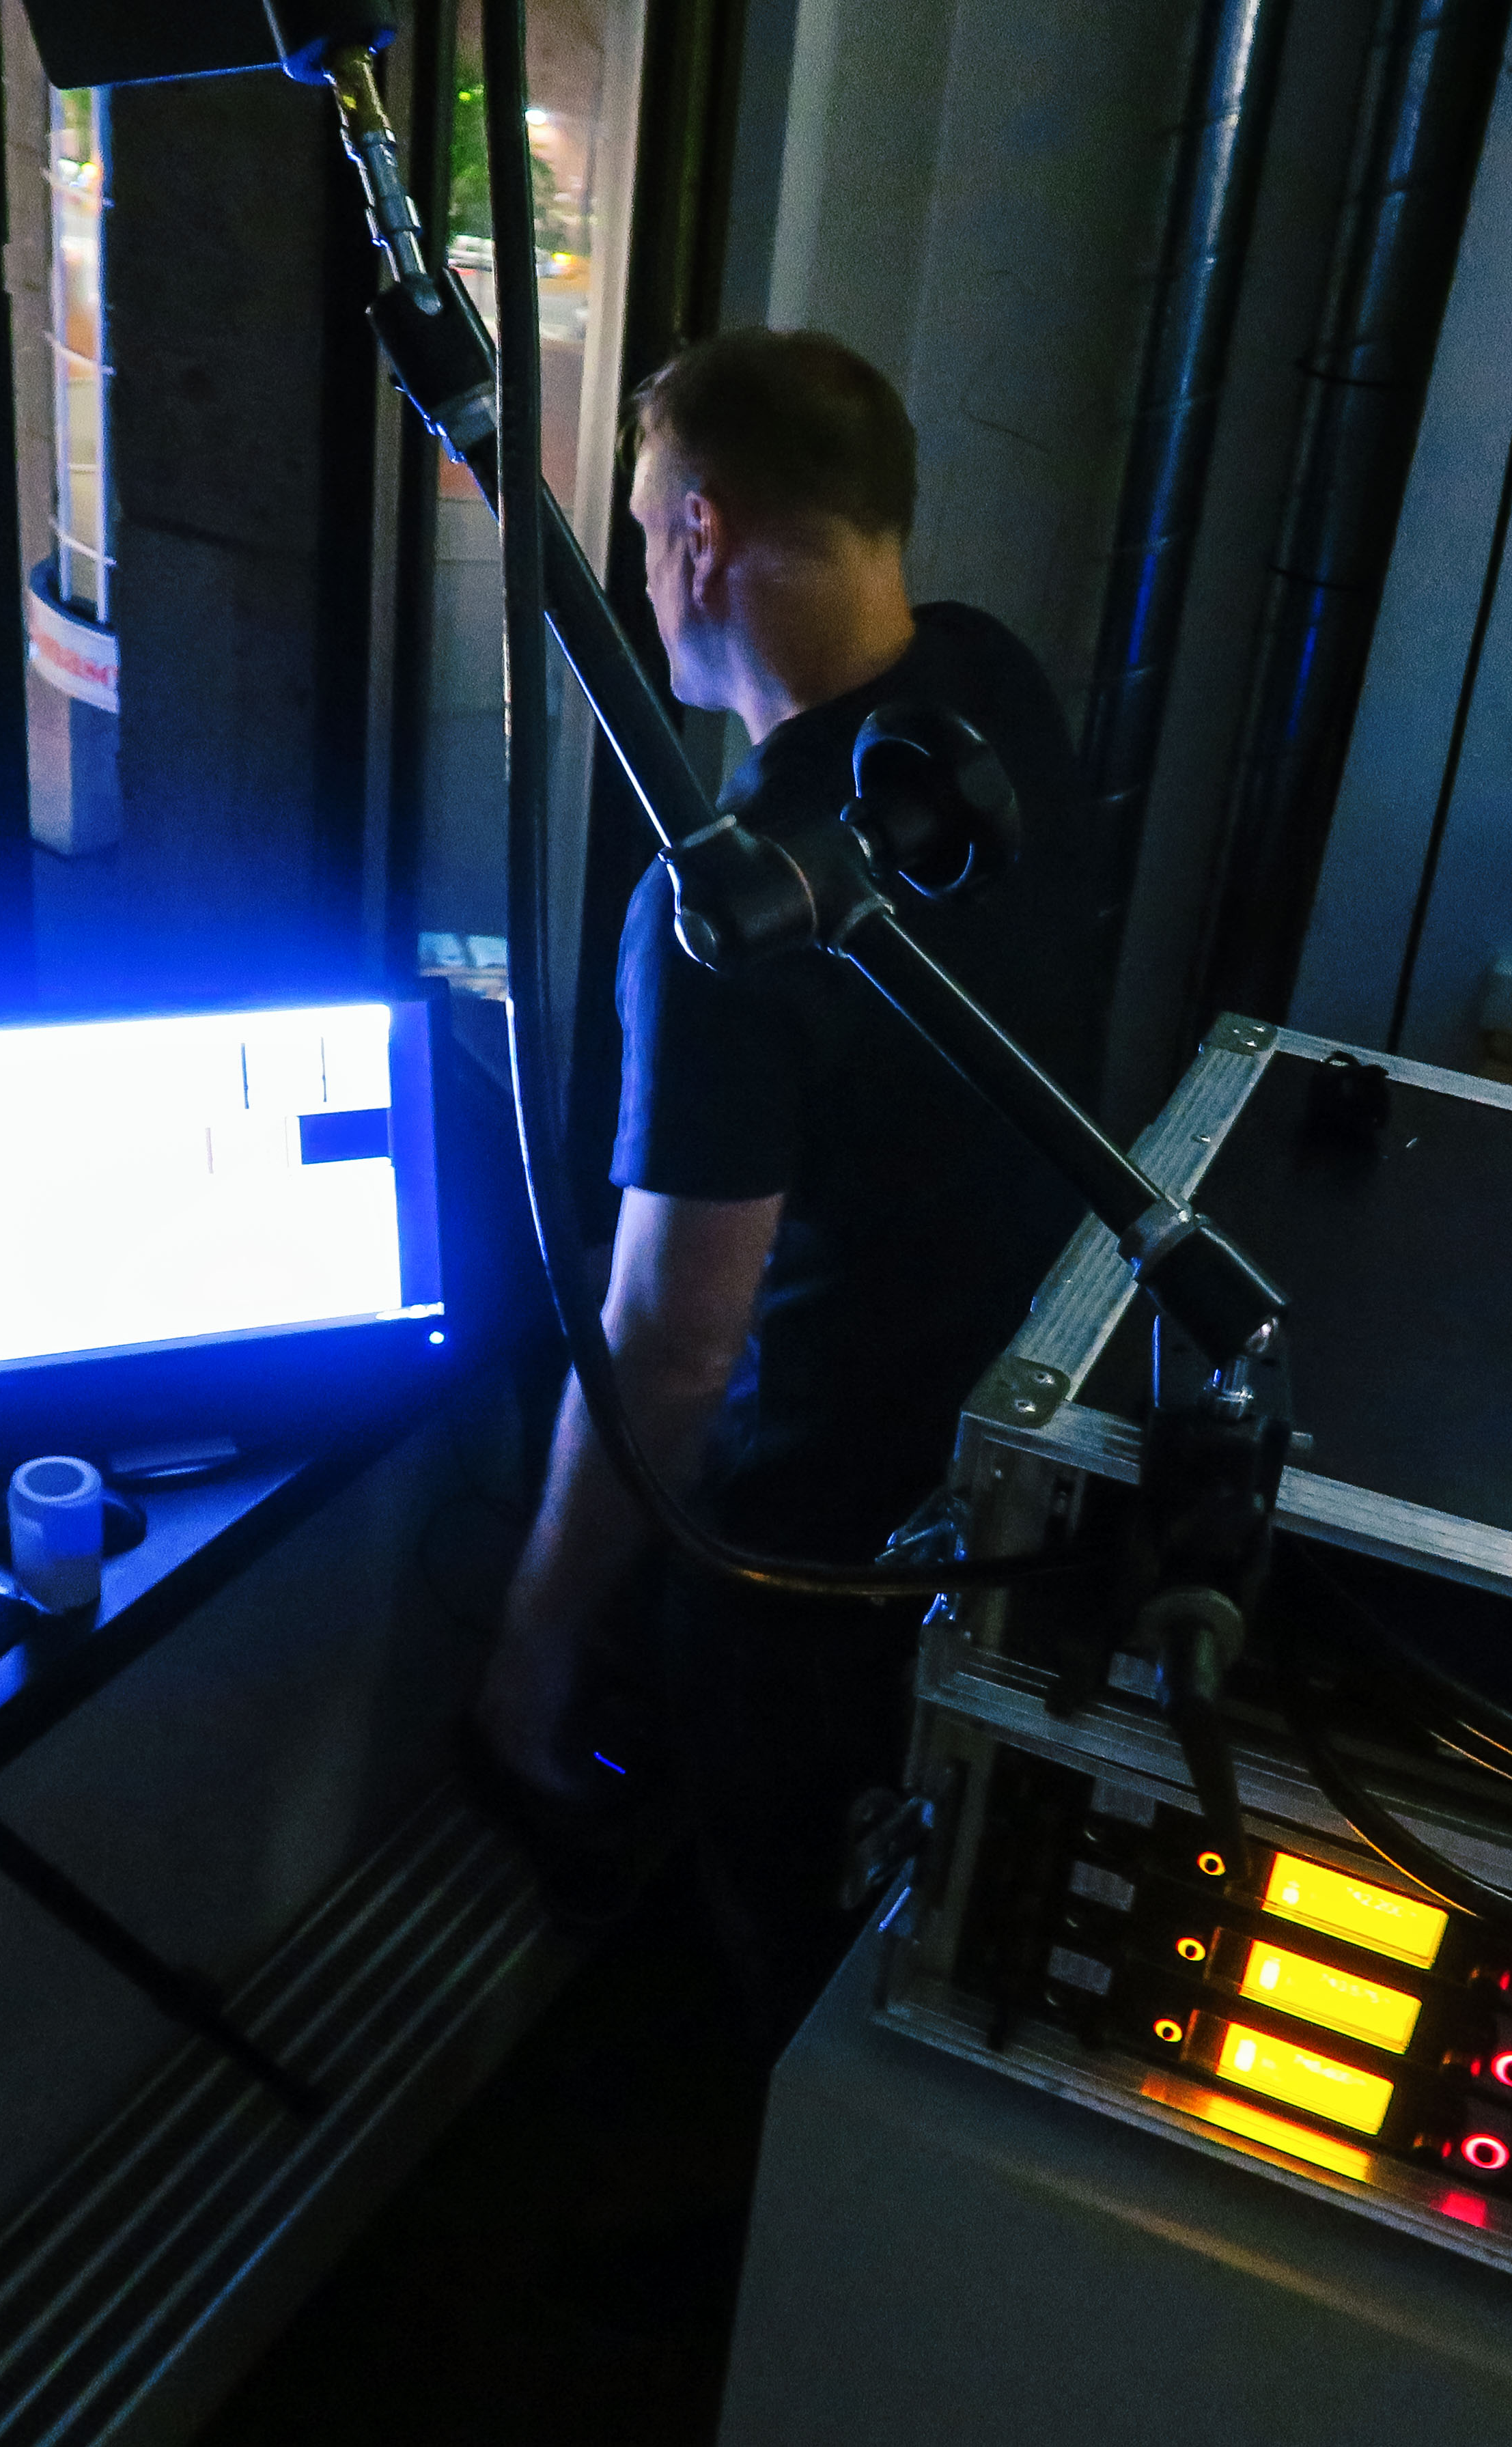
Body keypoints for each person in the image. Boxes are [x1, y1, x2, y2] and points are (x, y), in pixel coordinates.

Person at [473, 328, 1107, 2054]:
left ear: (698, 536)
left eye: (640, 529)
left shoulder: (724, 914)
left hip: (817, 1547)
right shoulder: (989, 688)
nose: (637, 573)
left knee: (780, 1957)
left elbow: (677, 1348)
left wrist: (536, 1639)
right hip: (1001, 1463)